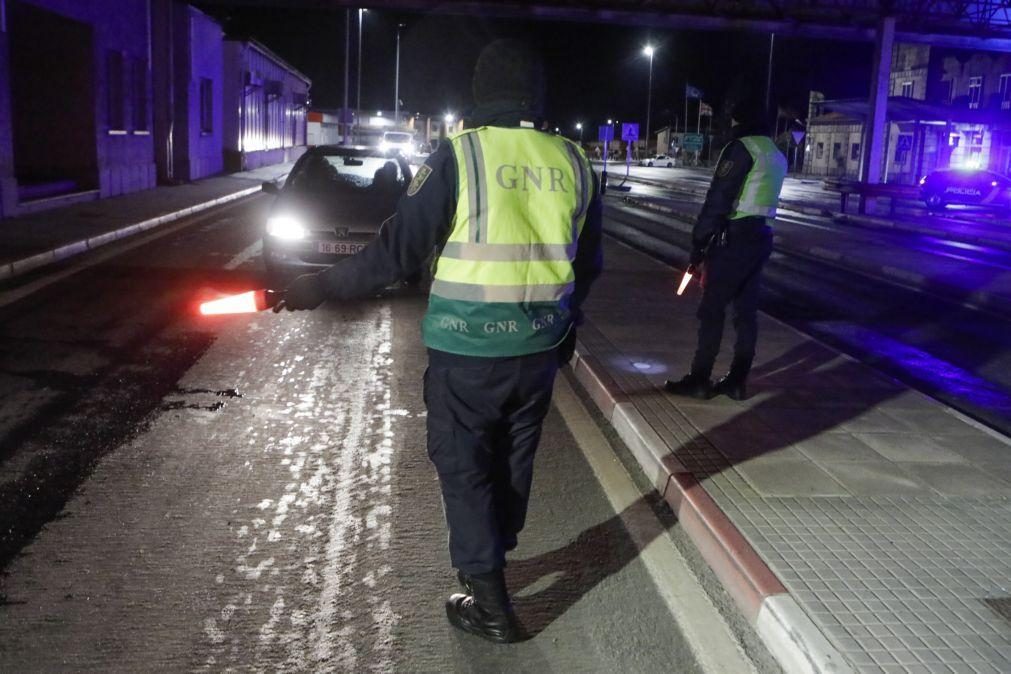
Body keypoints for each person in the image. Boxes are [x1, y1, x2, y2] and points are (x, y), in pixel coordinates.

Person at [273, 39, 603, 644]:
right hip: (538, 349)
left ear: (484, 91)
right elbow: (591, 261)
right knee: (513, 459)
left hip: (469, 346)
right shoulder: (574, 159)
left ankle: (490, 601)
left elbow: (398, 252)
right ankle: (494, 553)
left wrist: (320, 287)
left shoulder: (462, 155)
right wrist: (565, 322)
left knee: (464, 462)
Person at [664, 96, 786, 401]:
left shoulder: (742, 149)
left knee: (712, 310)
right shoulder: (775, 153)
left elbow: (719, 198)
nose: (729, 123)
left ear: (741, 120)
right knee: (746, 312)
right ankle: (737, 380)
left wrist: (699, 242)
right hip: (762, 236)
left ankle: (700, 378)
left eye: (733, 118)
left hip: (734, 237)